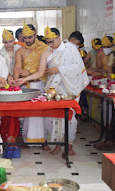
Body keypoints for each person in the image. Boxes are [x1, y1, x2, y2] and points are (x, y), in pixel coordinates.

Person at [15, 26, 89, 155]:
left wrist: (59, 69)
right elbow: (39, 73)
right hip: (53, 89)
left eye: (52, 42)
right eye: (48, 42)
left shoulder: (70, 49)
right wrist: (24, 79)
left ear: (59, 38)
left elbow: (78, 67)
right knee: (52, 117)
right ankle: (58, 145)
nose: (50, 45)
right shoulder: (47, 52)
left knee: (70, 117)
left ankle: (69, 145)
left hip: (69, 88)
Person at [13, 23, 49, 150]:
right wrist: (16, 83)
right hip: (25, 85)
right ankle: (26, 139)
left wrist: (29, 72)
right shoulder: (20, 51)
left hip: (41, 84)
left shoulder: (44, 48)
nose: (27, 40)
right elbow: (17, 68)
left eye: (30, 37)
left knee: (41, 113)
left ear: (35, 35)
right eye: (25, 38)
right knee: (28, 113)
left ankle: (43, 140)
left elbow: (44, 70)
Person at [0, 29, 21, 143]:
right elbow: (1, 68)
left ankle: (18, 133)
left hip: (20, 81)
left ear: (14, 41)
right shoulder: (0, 53)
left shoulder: (19, 49)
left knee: (20, 109)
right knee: (8, 110)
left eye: (10, 41)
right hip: (6, 83)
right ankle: (8, 134)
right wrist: (8, 77)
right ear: (3, 42)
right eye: (6, 42)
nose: (8, 44)